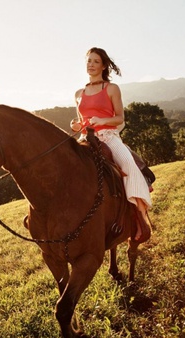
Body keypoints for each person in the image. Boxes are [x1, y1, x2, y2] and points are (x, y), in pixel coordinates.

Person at [70, 47, 152, 241]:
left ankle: (140, 218)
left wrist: (101, 121)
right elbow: (81, 120)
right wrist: (75, 125)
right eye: (88, 61)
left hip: (108, 136)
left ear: (104, 65)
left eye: (95, 61)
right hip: (86, 138)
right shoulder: (78, 93)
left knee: (128, 165)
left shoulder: (111, 88)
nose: (91, 64)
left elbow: (119, 118)